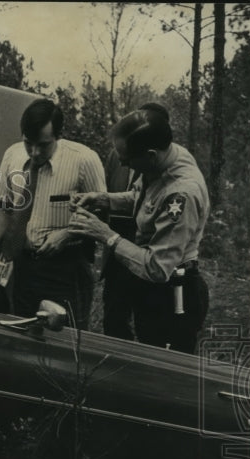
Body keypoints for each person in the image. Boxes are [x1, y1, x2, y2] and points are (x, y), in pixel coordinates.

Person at [69, 107, 210, 353]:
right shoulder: (165, 157)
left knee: (164, 370)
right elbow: (141, 196)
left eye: (126, 159)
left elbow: (157, 268)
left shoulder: (181, 194)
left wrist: (106, 235)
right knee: (146, 349)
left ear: (151, 155)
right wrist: (103, 198)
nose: (121, 162)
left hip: (174, 294)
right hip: (153, 289)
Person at [0, 99, 107, 329]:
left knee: (66, 339)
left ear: (58, 136)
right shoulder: (12, 156)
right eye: (29, 143)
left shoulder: (84, 161)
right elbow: (5, 206)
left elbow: (100, 216)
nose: (35, 152)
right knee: (22, 330)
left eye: (43, 145)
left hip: (66, 268)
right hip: (24, 268)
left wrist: (67, 234)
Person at [101, 102, 172, 341]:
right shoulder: (115, 156)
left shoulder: (168, 171)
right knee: (113, 320)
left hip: (147, 259)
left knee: (148, 328)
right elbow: (115, 193)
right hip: (116, 257)